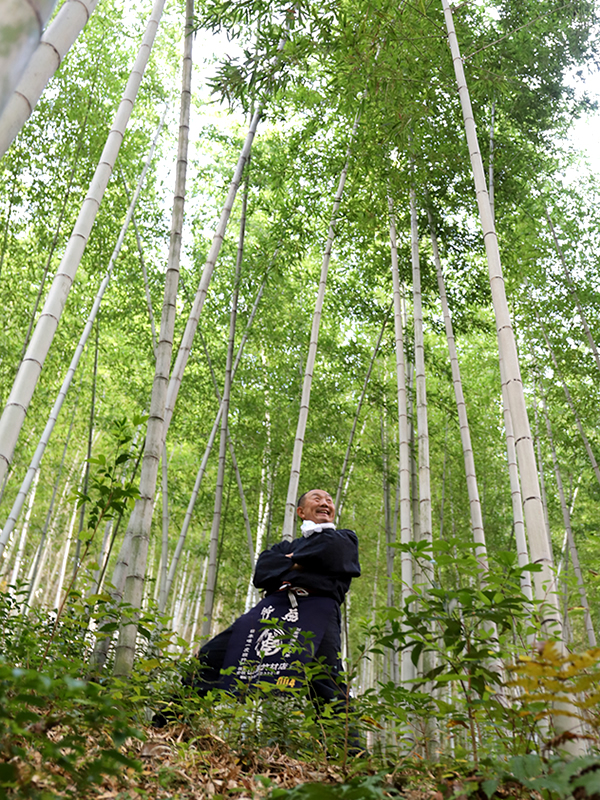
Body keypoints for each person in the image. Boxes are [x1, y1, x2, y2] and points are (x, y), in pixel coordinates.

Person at [180, 489, 361, 708]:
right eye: (317, 499)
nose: (325, 503)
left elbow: (334, 552)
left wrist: (289, 563)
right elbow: (263, 571)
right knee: (208, 658)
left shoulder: (344, 537)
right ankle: (171, 722)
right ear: (301, 512)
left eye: (329, 501)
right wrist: (306, 560)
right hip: (274, 608)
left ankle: (344, 743)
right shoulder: (285, 546)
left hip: (318, 609)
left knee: (327, 684)